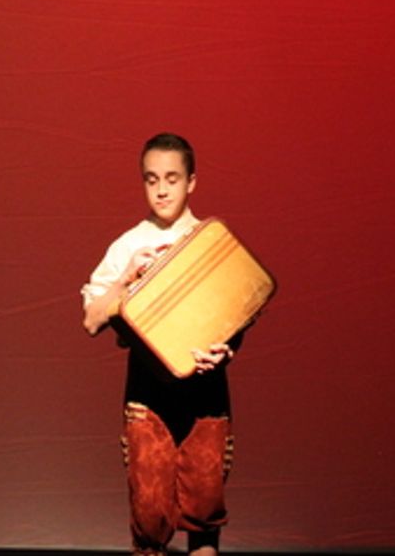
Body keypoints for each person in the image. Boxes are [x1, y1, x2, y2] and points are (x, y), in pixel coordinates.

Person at [82, 132, 239, 556]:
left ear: (191, 182)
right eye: (152, 180)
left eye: (172, 178)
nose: (162, 189)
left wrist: (227, 348)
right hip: (149, 395)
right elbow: (92, 319)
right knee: (150, 517)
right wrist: (125, 280)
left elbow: (237, 310)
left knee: (204, 515)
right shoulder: (129, 245)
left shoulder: (211, 242)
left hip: (205, 394)